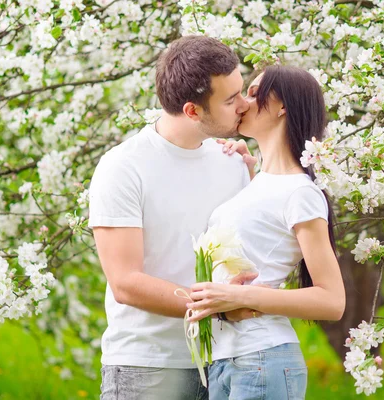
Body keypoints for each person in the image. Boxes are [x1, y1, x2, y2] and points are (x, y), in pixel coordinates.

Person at [88, 36, 258, 400]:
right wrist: (221, 308)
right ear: (193, 111)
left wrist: (257, 177)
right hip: (148, 366)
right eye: (230, 100)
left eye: (241, 91)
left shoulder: (233, 162)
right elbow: (126, 282)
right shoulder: (123, 167)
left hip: (225, 365)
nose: (245, 106)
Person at [187, 65, 347, 400]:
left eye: (255, 93)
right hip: (225, 360)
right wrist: (246, 168)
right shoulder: (260, 180)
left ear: (281, 106)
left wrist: (241, 297)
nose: (242, 103)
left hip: (262, 357)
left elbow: (332, 301)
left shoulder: (300, 193)